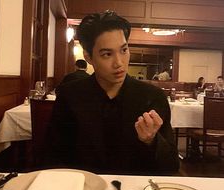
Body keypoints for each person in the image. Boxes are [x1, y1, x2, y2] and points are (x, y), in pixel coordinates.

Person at [48, 10, 179, 175]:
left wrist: (152, 141)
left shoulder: (152, 97)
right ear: (88, 57)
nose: (119, 63)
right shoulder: (70, 96)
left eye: (124, 50)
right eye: (107, 54)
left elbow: (172, 166)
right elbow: (53, 155)